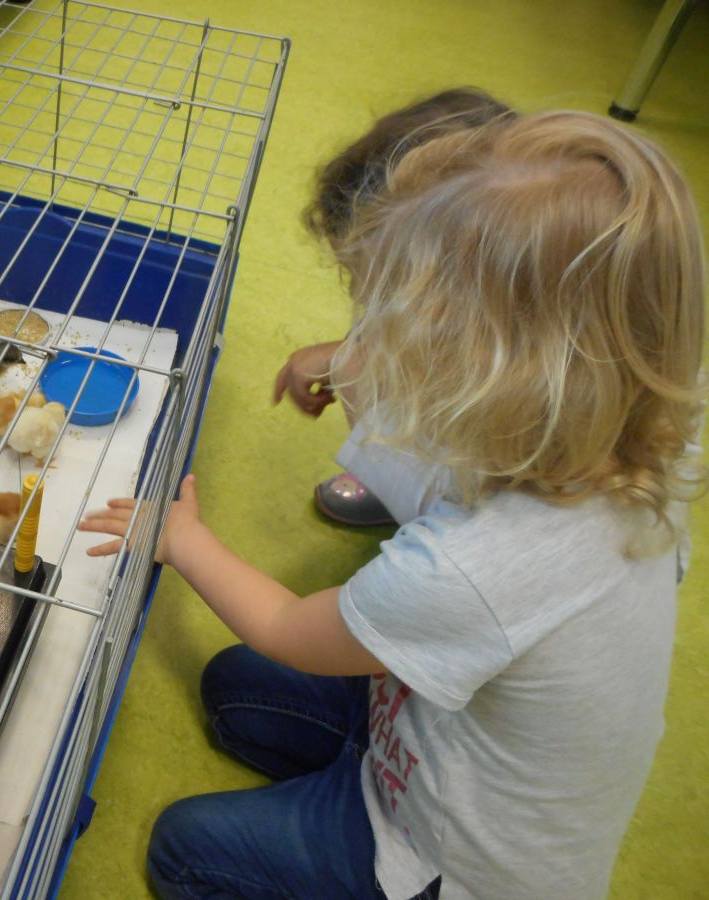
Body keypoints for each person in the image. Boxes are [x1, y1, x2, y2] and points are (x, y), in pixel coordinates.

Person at [78, 109, 704, 899]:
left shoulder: (470, 570)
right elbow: (427, 466)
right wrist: (346, 358)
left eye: (394, 339)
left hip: (445, 858)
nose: (370, 349)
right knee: (236, 691)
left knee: (186, 851)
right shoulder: (631, 429)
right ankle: (358, 763)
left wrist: (181, 538)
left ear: (488, 381)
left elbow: (289, 628)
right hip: (433, 730)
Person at [275, 88, 515, 527]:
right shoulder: (484, 296)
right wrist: (342, 351)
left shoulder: (511, 366)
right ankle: (404, 484)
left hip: (491, 513)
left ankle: (420, 501)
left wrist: (348, 361)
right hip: (469, 431)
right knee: (364, 354)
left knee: (361, 366)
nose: (357, 294)